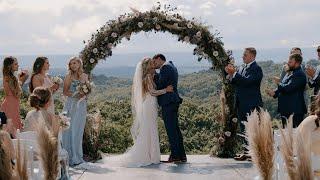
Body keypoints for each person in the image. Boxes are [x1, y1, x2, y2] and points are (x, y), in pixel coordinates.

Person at [102, 57, 173, 167]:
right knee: (150, 128)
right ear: (147, 66)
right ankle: (150, 156)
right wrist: (166, 90)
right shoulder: (147, 77)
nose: (153, 64)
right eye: (151, 63)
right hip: (149, 104)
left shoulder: (148, 76)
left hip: (150, 104)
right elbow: (152, 92)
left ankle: (151, 155)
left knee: (150, 128)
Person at [225, 47, 263, 161]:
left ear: (252, 56)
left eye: (245, 55)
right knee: (244, 129)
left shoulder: (257, 69)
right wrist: (231, 75)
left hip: (251, 104)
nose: (243, 57)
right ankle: (247, 152)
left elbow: (247, 82)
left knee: (252, 129)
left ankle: (254, 153)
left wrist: (235, 73)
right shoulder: (242, 67)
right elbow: (237, 82)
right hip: (241, 103)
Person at [153, 54, 187, 163]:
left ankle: (175, 156)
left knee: (171, 130)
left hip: (168, 102)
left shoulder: (165, 67)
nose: (154, 65)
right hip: (173, 101)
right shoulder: (171, 65)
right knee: (176, 130)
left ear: (159, 59)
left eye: (154, 62)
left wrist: (154, 76)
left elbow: (160, 84)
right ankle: (181, 155)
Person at [266, 53, 307, 128]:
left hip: (294, 111)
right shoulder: (290, 73)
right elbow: (283, 87)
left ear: (297, 63)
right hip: (286, 110)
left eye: (290, 62)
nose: (288, 63)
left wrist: (278, 83)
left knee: (294, 136)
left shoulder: (299, 74)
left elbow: (288, 88)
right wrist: (274, 93)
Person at [62, 57, 89, 166]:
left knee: (78, 130)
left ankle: (77, 155)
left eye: (75, 63)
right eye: (71, 63)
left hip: (81, 105)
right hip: (71, 105)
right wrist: (76, 95)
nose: (73, 65)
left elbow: (87, 89)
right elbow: (65, 92)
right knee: (70, 130)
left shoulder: (84, 76)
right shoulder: (69, 76)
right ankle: (70, 156)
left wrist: (85, 94)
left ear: (79, 64)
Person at [1, 56, 28, 137]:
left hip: (10, 104)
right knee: (14, 133)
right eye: (16, 64)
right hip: (11, 106)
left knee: (9, 132)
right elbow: (17, 94)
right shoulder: (11, 78)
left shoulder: (7, 77)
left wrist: (19, 80)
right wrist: (22, 80)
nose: (18, 66)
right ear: (10, 66)